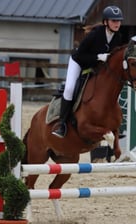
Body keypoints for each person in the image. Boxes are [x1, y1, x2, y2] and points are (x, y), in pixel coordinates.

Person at [52, 5, 124, 138]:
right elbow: (80, 55)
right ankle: (62, 124)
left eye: (118, 21)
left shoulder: (117, 37)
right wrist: (98, 57)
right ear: (105, 22)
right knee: (69, 89)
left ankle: (114, 125)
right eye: (114, 21)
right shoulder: (95, 35)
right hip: (79, 62)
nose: (117, 23)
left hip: (97, 66)